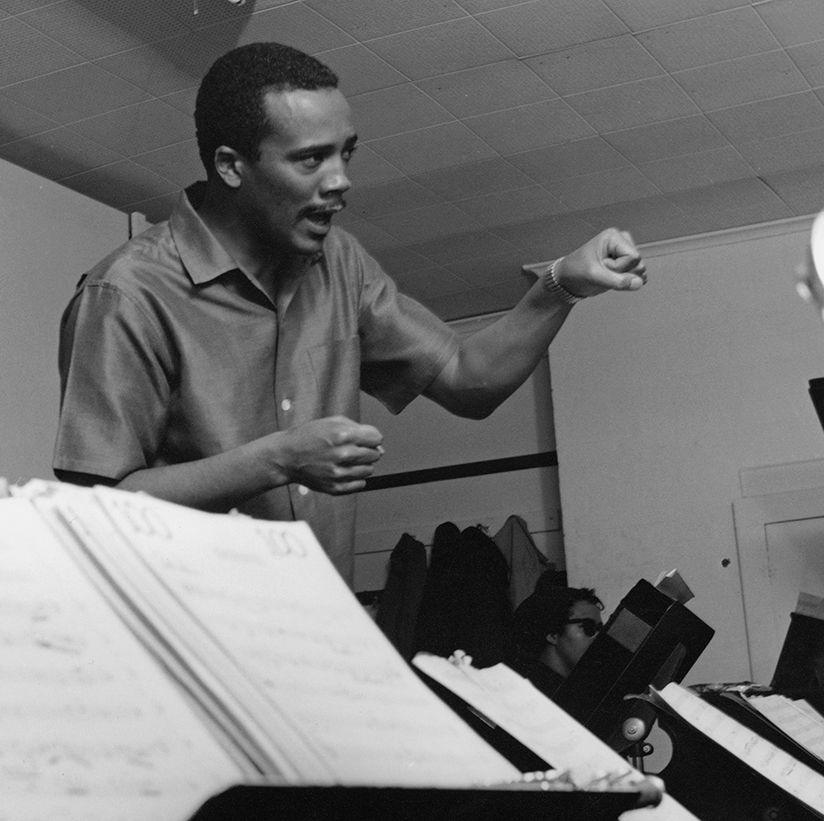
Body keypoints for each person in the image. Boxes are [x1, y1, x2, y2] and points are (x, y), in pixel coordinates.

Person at [54, 42, 648, 584]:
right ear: (232, 166)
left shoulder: (339, 261)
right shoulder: (127, 294)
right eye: (310, 160)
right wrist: (279, 457)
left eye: (346, 153)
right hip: (187, 640)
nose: (341, 181)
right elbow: (98, 508)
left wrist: (560, 286)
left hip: (320, 624)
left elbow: (469, 381)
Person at [510, 585, 606, 698]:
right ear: (553, 634)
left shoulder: (580, 691)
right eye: (588, 627)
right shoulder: (527, 693)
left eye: (601, 629)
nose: (598, 637)